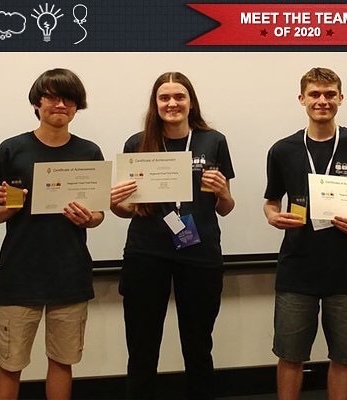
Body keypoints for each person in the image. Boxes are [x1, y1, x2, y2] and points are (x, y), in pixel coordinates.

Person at [111, 71, 235, 400]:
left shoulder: (213, 141)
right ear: (155, 104)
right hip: (146, 253)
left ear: (191, 102)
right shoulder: (137, 144)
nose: (172, 103)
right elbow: (125, 210)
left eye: (179, 96)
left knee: (198, 346)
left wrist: (224, 193)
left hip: (199, 254)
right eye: (164, 97)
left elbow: (225, 208)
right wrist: (116, 203)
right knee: (142, 347)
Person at [0, 68, 105, 400]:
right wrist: (14, 205)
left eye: (69, 99)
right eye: (52, 97)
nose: (61, 104)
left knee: (63, 361)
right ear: (37, 103)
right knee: (10, 364)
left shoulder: (89, 152)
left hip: (69, 272)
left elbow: (98, 215)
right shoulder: (12, 150)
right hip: (18, 275)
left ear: (77, 105)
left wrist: (89, 218)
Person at [263, 67, 347, 400]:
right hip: (297, 269)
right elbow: (271, 201)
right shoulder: (283, 150)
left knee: (343, 356)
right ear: (302, 99)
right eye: (314, 94)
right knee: (290, 355)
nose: (322, 101)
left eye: (330, 94)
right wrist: (273, 217)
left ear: (341, 98)